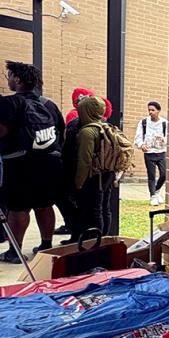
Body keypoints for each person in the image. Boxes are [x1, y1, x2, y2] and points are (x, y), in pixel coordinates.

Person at [0, 61, 65, 263]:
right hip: (50, 163)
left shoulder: (9, 103)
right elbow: (60, 134)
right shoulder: (49, 105)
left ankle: (15, 252)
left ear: (17, 80)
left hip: (18, 163)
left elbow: (2, 132)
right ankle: (46, 246)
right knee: (45, 205)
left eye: (9, 76)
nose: (8, 79)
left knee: (18, 208)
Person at [54, 87, 96, 240]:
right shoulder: (103, 123)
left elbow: (70, 150)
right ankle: (87, 235)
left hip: (75, 168)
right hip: (97, 172)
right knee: (93, 207)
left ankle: (77, 233)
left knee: (62, 197)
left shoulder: (76, 122)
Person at [73, 96, 114, 240]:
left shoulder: (87, 132)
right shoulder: (107, 127)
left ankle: (94, 243)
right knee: (105, 209)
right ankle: (103, 239)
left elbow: (85, 160)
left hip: (93, 177)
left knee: (94, 212)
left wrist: (79, 181)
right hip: (108, 174)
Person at [133, 101, 168, 206]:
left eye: (153, 110)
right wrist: (141, 145)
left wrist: (163, 139)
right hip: (149, 153)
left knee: (164, 174)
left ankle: (157, 191)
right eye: (149, 110)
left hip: (161, 151)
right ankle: (153, 196)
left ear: (158, 111)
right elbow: (138, 138)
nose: (150, 112)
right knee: (151, 175)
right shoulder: (143, 122)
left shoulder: (164, 123)